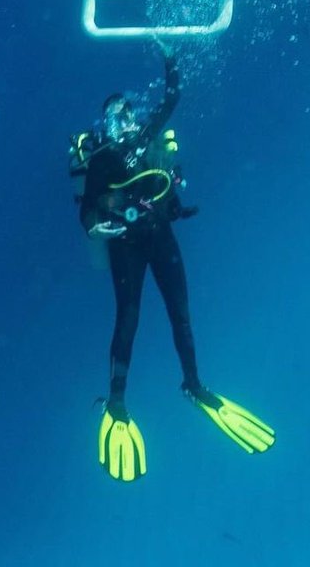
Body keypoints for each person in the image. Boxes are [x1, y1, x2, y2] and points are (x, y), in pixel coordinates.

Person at [74, 40, 275, 482]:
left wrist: (168, 54)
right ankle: (118, 402)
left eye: (126, 113)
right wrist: (96, 228)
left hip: (160, 235)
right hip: (126, 243)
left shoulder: (147, 140)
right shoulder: (104, 160)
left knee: (180, 314)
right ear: (104, 126)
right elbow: (88, 208)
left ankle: (195, 386)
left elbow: (173, 95)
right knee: (128, 318)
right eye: (114, 117)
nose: (124, 121)